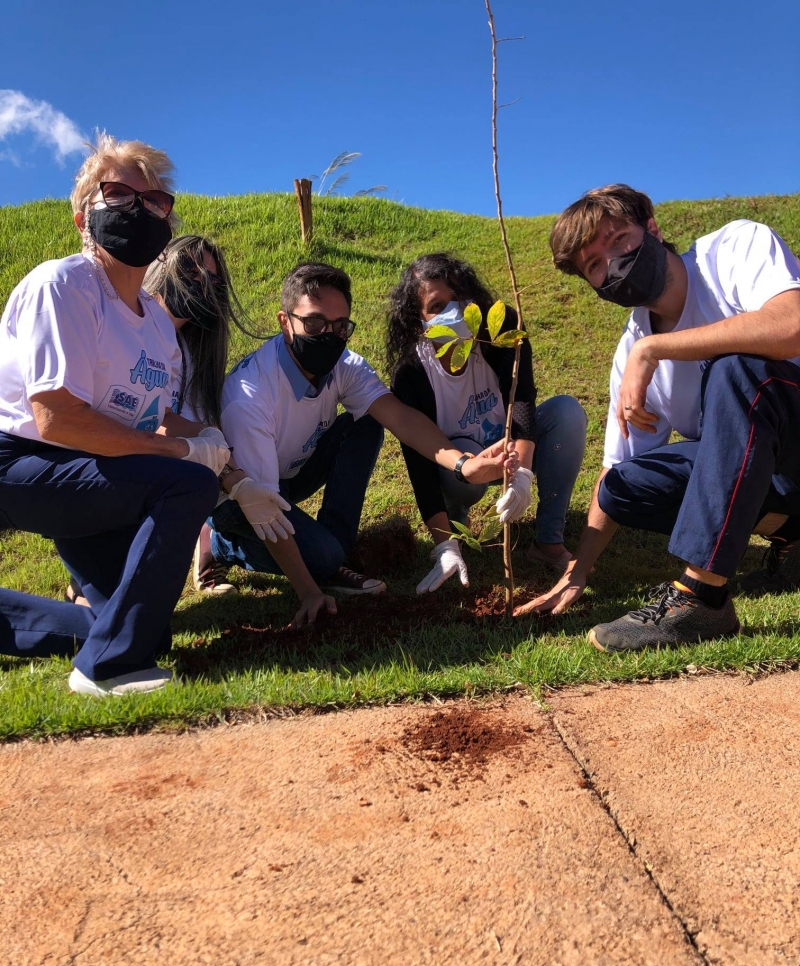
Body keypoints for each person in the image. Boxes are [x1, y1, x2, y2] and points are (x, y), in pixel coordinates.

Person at [516, 184, 800, 651]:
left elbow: (791, 325)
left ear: (651, 228)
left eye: (618, 239)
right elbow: (614, 471)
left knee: (736, 370)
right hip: (772, 468)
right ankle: (792, 532)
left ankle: (702, 598)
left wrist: (656, 349)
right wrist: (577, 571)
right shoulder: (629, 349)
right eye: (593, 265)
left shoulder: (733, 250)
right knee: (624, 487)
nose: (611, 263)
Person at [0, 134, 230, 696]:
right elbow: (57, 418)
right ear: (83, 217)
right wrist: (182, 454)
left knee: (141, 627)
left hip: (82, 470)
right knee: (183, 484)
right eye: (117, 195)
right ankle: (106, 670)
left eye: (154, 201)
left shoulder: (155, 322)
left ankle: (112, 644)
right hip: (18, 461)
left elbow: (156, 417)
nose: (140, 209)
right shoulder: (64, 285)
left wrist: (207, 437)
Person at [198, 261, 518, 627]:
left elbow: (401, 418)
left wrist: (465, 464)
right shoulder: (250, 397)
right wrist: (309, 591)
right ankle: (218, 541)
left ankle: (336, 551)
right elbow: (265, 508)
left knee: (364, 423)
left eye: (340, 327)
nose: (329, 335)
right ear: (285, 321)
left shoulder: (343, 365)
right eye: (315, 323)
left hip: (290, 473)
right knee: (319, 561)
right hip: (243, 496)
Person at [388, 253, 587, 593]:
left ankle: (548, 541)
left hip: (510, 448)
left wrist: (521, 474)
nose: (452, 312)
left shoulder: (501, 330)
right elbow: (419, 460)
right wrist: (443, 544)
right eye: (436, 306)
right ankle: (456, 529)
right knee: (463, 459)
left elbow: (521, 398)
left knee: (566, 413)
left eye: (459, 299)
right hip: (461, 468)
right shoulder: (412, 374)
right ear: (417, 321)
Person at [144, 234, 264, 596]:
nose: (198, 283)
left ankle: (206, 552)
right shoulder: (132, 327)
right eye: (189, 270)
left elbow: (192, 428)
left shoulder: (191, 351)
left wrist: (232, 473)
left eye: (211, 280)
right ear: (162, 263)